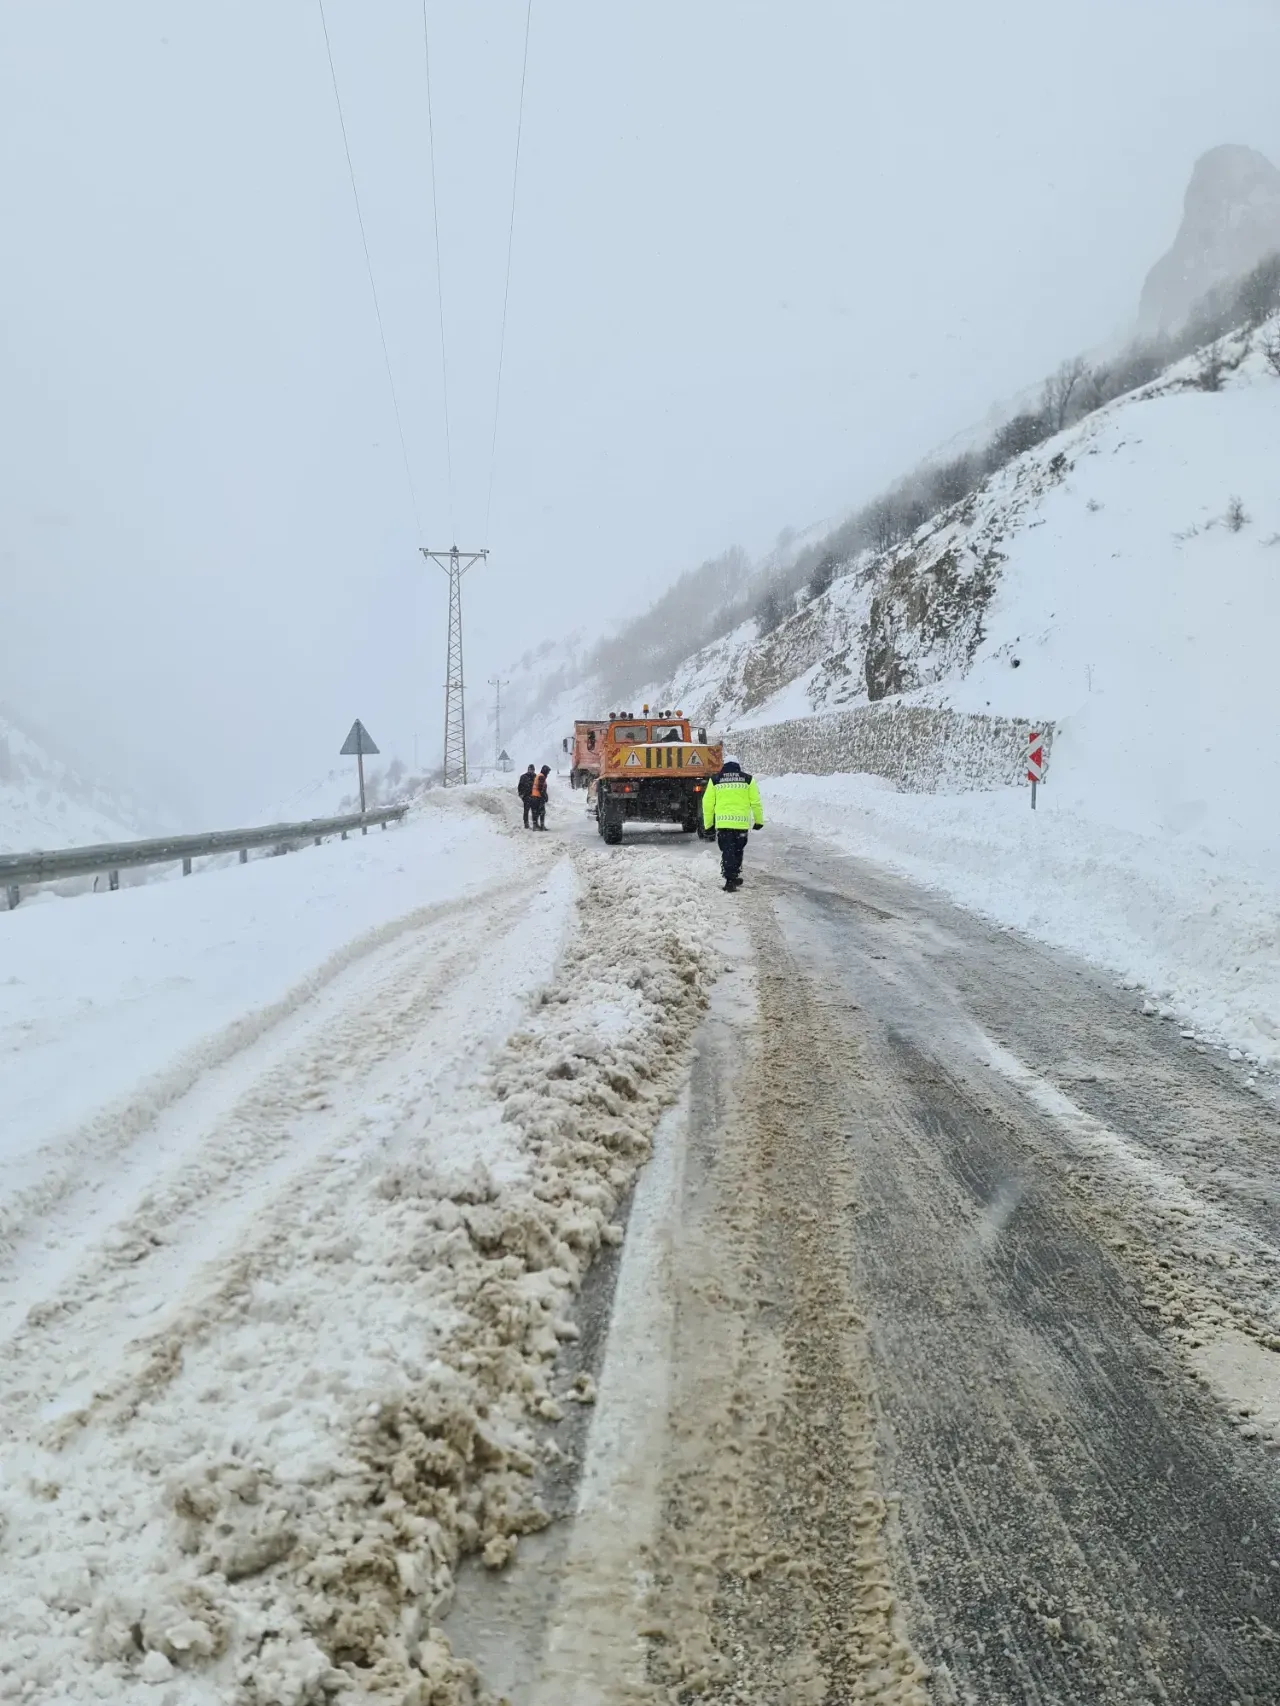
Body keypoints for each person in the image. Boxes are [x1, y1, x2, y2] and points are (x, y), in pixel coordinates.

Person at [701, 757, 763, 891]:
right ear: (737, 765)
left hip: (724, 823)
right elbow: (756, 802)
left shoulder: (715, 780)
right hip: (741, 824)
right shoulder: (748, 779)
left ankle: (730, 878)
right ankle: (733, 876)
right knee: (738, 850)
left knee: (728, 850)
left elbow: (707, 804)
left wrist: (708, 824)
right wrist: (758, 821)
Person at [530, 764, 550, 829]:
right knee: (542, 812)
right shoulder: (541, 777)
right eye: (548, 772)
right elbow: (541, 788)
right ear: (545, 771)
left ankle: (535, 825)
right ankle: (541, 826)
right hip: (538, 797)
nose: (548, 774)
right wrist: (544, 796)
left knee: (536, 812)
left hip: (534, 797)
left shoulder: (539, 776)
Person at [517, 764, 536, 828]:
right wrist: (521, 794)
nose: (532, 771)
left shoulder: (536, 777)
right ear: (528, 769)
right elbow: (520, 786)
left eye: (533, 770)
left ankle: (535, 823)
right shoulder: (523, 777)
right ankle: (526, 823)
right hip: (526, 796)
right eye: (530, 769)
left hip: (534, 797)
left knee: (534, 811)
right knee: (526, 811)